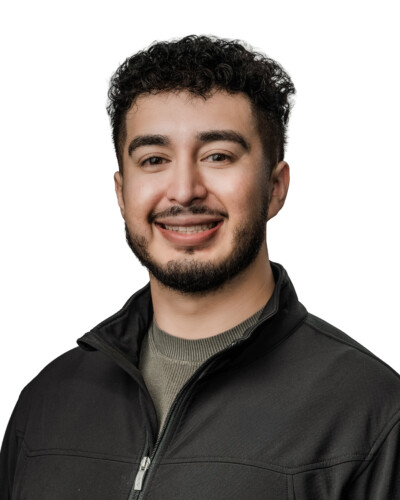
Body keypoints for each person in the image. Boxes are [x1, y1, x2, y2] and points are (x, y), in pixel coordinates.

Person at [1, 35, 399, 499]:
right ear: (122, 193)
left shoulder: (371, 414)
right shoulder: (46, 403)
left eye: (218, 157)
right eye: (154, 160)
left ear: (274, 188)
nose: (184, 190)